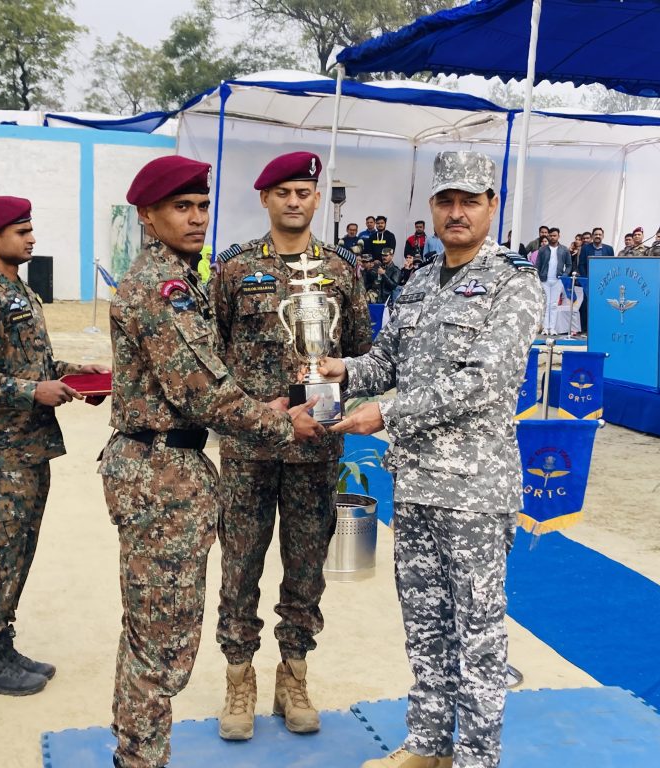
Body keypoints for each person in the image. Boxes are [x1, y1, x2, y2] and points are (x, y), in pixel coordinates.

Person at [319, 150, 543, 768]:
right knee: (425, 625)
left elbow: (484, 383)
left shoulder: (515, 283)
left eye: (470, 200)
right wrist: (343, 370)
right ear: (432, 208)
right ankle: (427, 744)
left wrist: (386, 414)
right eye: (446, 200)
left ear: (491, 206)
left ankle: (475, 758)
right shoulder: (417, 282)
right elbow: (387, 363)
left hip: (474, 489)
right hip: (414, 483)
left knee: (478, 634)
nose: (457, 212)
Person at [100, 155, 324, 768]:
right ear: (148, 216)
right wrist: (280, 419)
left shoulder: (178, 276)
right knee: (161, 641)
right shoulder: (162, 288)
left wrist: (263, 403)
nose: (197, 218)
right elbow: (204, 392)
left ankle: (137, 753)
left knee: (153, 630)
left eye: (202, 206)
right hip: (159, 474)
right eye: (181, 207)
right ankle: (140, 759)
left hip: (168, 465)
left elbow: (211, 381)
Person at [211, 151, 373, 741]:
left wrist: (340, 393)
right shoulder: (232, 270)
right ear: (265, 199)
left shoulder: (342, 269)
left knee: (305, 568)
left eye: (304, 190)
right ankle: (238, 678)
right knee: (240, 565)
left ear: (315, 196)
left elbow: (359, 348)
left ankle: (294, 674)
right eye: (282, 191)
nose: (294, 201)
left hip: (317, 449)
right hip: (249, 449)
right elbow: (213, 353)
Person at [0, 196, 109, 696]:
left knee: (19, 548)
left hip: (29, 447)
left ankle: (0, 642)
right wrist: (32, 391)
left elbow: (24, 362)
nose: (31, 238)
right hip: (0, 451)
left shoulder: (20, 291)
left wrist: (67, 374)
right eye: (21, 231)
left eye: (31, 229)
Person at [536, 226, 570, 334]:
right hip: (544, 279)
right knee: (546, 304)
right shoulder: (542, 249)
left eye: (554, 235)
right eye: (550, 235)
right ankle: (545, 328)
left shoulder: (564, 249)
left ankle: (553, 328)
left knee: (554, 304)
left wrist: (564, 275)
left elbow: (569, 265)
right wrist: (538, 277)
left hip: (558, 280)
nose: (552, 237)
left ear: (559, 236)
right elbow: (538, 265)